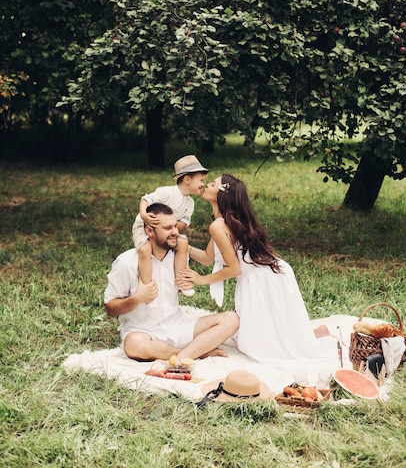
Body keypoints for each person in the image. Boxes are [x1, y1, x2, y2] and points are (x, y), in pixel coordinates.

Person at [176, 174, 333, 367]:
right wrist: (181, 243)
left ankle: (310, 337)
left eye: (213, 183)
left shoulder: (219, 225)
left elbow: (234, 269)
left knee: (259, 347)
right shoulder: (220, 221)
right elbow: (209, 258)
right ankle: (314, 334)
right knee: (268, 332)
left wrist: (201, 279)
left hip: (263, 277)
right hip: (267, 272)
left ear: (222, 195)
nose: (207, 185)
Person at [105, 203, 239, 362]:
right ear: (149, 231)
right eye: (168, 228)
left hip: (178, 326)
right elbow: (110, 307)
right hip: (143, 332)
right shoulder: (127, 262)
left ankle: (182, 354)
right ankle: (197, 352)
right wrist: (138, 298)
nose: (175, 232)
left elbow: (180, 286)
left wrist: (187, 284)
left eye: (175, 226)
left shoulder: (179, 256)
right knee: (134, 345)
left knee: (231, 319)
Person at [132, 155, 209, 300]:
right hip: (144, 226)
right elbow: (146, 199)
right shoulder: (167, 192)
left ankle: (181, 281)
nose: (203, 184)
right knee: (144, 249)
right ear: (187, 179)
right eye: (201, 180)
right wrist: (144, 214)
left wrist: (170, 226)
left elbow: (184, 224)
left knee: (183, 243)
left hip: (167, 231)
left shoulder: (189, 203)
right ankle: (147, 287)